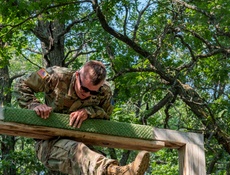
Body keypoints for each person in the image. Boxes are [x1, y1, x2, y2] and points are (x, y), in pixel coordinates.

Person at [15, 60, 150, 175]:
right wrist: (34, 104)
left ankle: (117, 170)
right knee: (78, 152)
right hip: (49, 143)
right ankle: (119, 171)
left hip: (85, 143)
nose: (88, 94)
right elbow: (22, 83)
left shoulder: (104, 92)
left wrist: (90, 111)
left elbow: (106, 117)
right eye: (84, 89)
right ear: (77, 75)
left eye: (93, 91)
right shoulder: (56, 76)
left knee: (94, 159)